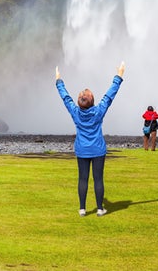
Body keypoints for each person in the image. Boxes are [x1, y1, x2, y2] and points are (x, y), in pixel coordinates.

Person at [56, 62, 125, 218]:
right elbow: (109, 95)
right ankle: (100, 209)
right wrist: (119, 75)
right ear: (93, 102)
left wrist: (59, 81)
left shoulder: (75, 112)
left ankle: (82, 209)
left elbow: (65, 97)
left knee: (83, 178)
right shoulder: (99, 111)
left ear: (80, 102)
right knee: (98, 179)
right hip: (98, 149)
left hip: (82, 149)